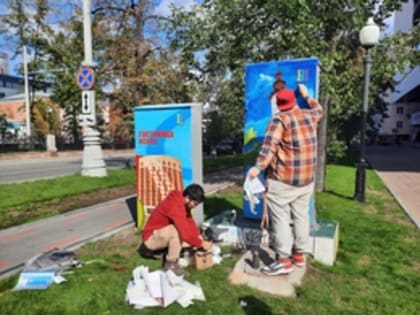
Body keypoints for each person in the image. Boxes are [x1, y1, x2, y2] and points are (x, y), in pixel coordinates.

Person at [247, 84, 323, 275]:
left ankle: (283, 261)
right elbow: (319, 109)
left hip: (283, 181)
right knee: (301, 216)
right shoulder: (309, 115)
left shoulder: (279, 120)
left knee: (280, 219)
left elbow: (269, 146)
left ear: (279, 105)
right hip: (306, 180)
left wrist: (258, 167)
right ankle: (299, 255)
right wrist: (307, 96)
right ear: (295, 101)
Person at [137, 183, 212, 276]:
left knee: (189, 238)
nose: (195, 206)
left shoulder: (182, 201)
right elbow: (184, 232)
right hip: (150, 238)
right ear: (188, 198)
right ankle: (170, 264)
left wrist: (198, 237)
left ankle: (164, 251)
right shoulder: (175, 205)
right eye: (195, 204)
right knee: (176, 231)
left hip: (161, 234)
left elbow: (189, 221)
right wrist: (201, 243)